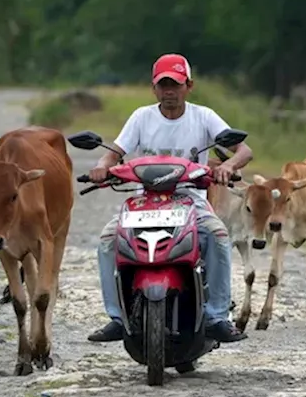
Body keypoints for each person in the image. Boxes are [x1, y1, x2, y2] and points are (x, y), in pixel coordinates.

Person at [87, 53, 253, 344]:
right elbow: (113, 153)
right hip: (143, 201)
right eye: (163, 85)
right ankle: (116, 316)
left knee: (217, 235)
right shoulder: (141, 117)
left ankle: (216, 316)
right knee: (107, 240)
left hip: (190, 200)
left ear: (189, 85)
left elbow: (244, 150)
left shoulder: (203, 116)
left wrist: (227, 166)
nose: (169, 91)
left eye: (175, 84)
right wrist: (102, 167)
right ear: (154, 88)